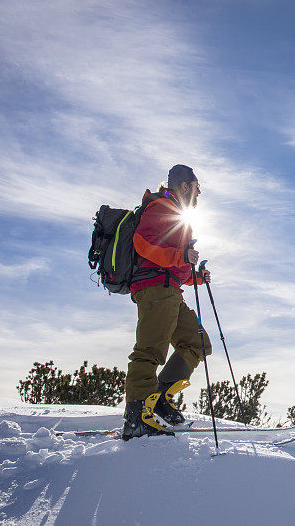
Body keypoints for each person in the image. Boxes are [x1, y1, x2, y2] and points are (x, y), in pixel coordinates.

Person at [122, 164, 213, 440]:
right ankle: (137, 417)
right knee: (150, 351)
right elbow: (142, 244)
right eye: (197, 188)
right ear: (184, 185)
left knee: (197, 343)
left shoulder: (175, 212)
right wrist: (180, 258)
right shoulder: (161, 207)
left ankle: (157, 400)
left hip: (170, 290)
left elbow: (174, 263)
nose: (198, 195)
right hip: (155, 290)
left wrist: (196, 276)